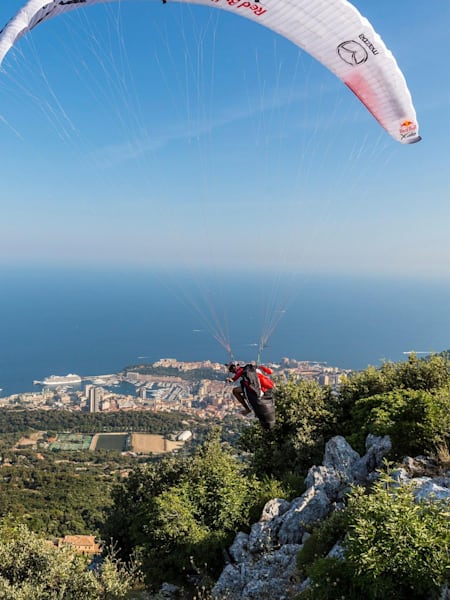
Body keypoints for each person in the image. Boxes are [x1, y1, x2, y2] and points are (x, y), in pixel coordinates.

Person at [226, 362, 275, 430]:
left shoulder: (242, 370)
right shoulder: (255, 367)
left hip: (259, 389)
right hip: (269, 387)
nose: (232, 371)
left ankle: (247, 409)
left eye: (231, 369)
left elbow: (234, 378)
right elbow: (270, 371)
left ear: (236, 366)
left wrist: (229, 380)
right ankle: (254, 409)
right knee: (246, 393)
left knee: (235, 391)